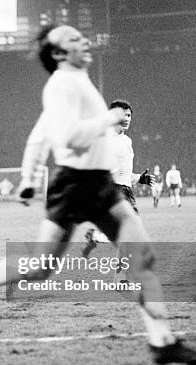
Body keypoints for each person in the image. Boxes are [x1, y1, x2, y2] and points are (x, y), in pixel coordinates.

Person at [0, 24, 196, 365]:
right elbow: (68, 137)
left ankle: (162, 341)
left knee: (141, 257)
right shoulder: (61, 85)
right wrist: (107, 119)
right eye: (72, 39)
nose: (82, 40)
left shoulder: (78, 81)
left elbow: (40, 134)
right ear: (57, 54)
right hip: (74, 185)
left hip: (101, 186)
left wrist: (28, 175)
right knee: (40, 267)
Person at [81, 99, 153, 284]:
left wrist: (139, 178)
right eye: (123, 115)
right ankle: (123, 278)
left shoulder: (127, 141)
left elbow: (124, 173)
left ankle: (96, 238)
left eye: (129, 115)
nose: (127, 119)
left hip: (125, 190)